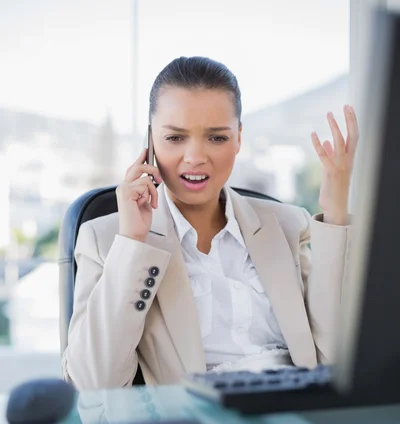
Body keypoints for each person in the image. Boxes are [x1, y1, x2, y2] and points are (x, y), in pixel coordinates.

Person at [62, 56, 358, 391]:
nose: (195, 156)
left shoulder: (287, 226)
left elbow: (335, 360)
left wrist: (335, 211)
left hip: (295, 422)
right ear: (150, 142)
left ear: (239, 138)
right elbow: (94, 385)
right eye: (175, 137)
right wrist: (132, 242)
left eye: (216, 138)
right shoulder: (105, 240)